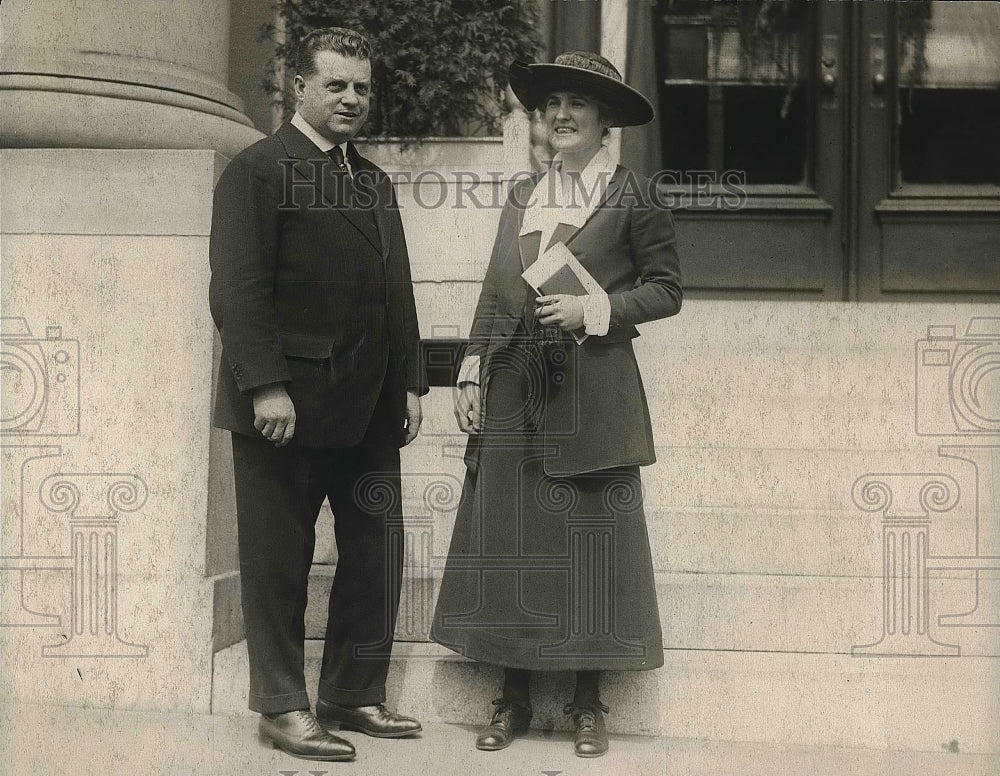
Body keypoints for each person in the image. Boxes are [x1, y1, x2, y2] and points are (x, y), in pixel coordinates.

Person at [430, 51, 682, 759]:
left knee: (588, 543)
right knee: (514, 538)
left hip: (593, 389)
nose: (562, 116)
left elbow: (667, 289)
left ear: (606, 120)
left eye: (578, 104)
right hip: (517, 387)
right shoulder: (523, 195)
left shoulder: (633, 195)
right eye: (552, 105)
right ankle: (511, 697)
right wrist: (472, 369)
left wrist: (594, 309)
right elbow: (496, 287)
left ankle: (587, 703)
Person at [209, 27, 426, 762]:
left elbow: (394, 289)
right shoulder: (258, 170)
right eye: (335, 85)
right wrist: (266, 386)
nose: (351, 99)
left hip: (369, 404)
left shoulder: (373, 181)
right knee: (279, 560)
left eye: (362, 87)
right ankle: (281, 706)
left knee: (376, 551)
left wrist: (410, 381)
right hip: (286, 407)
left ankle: (352, 693)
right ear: (298, 87)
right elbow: (238, 289)